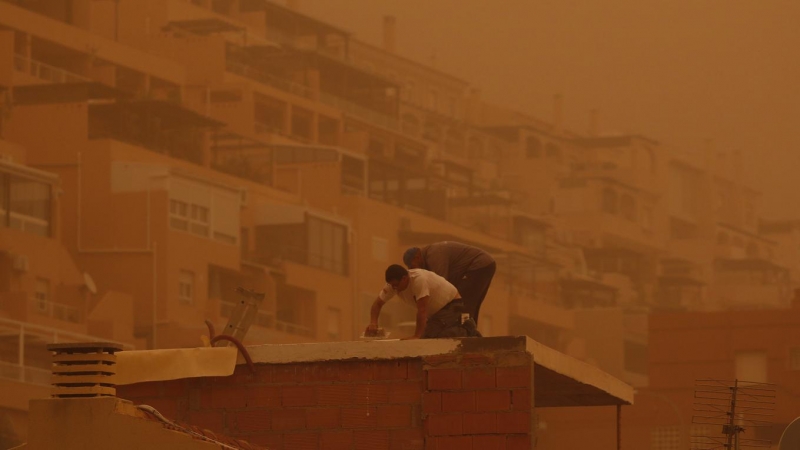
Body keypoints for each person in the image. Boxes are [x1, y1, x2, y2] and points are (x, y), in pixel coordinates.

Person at [365, 264, 480, 339]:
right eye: (392, 286)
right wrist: (373, 323)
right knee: (431, 336)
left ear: (405, 278)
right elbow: (377, 304)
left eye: (397, 285)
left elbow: (422, 310)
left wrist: (417, 335)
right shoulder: (392, 286)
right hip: (435, 313)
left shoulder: (418, 280)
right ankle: (461, 326)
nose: (395, 289)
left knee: (431, 338)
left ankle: (467, 330)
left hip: (451, 305)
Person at [403, 241, 495, 327]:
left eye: (412, 266)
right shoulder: (427, 259)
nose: (414, 270)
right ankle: (469, 330)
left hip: (478, 265)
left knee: (463, 303)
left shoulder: (434, 256)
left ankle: (465, 331)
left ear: (417, 258)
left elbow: (441, 286)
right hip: (485, 264)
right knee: (469, 304)